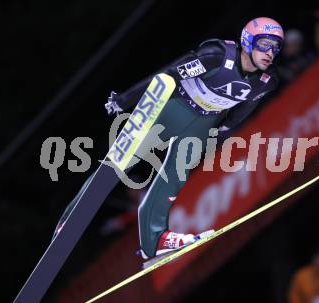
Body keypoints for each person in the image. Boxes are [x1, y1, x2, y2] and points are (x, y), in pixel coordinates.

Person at [55, 17, 285, 262]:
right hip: (174, 107)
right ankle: (71, 219)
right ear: (248, 42)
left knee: (175, 176)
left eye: (275, 48)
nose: (270, 53)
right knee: (122, 161)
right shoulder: (216, 56)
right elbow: (169, 75)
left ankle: (154, 241)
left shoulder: (267, 80)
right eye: (265, 44)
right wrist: (126, 100)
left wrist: (223, 131)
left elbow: (244, 108)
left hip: (203, 122)